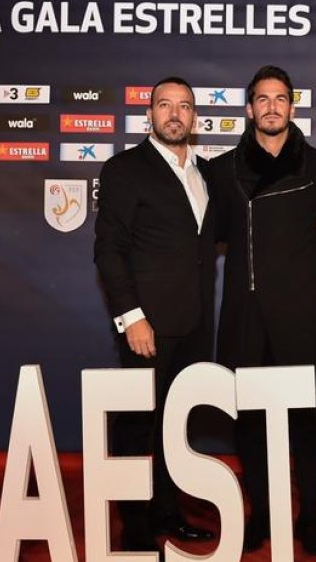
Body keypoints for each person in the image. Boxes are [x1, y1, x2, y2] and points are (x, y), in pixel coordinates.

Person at [209, 65, 316, 557]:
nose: (270, 107)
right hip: (245, 315)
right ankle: (261, 514)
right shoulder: (221, 170)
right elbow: (206, 238)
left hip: (301, 316)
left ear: (291, 106)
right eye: (261, 99)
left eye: (279, 98)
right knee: (250, 424)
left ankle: (309, 515)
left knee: (307, 421)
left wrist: (308, 265)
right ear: (249, 109)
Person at [93, 76, 217, 553]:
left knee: (176, 423)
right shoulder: (126, 169)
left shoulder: (204, 173)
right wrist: (131, 315)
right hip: (147, 326)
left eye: (184, 106)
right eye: (165, 105)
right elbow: (109, 250)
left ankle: (168, 511)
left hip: (194, 324)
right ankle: (135, 526)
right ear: (150, 114)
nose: (174, 114)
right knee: (136, 423)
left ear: (194, 117)